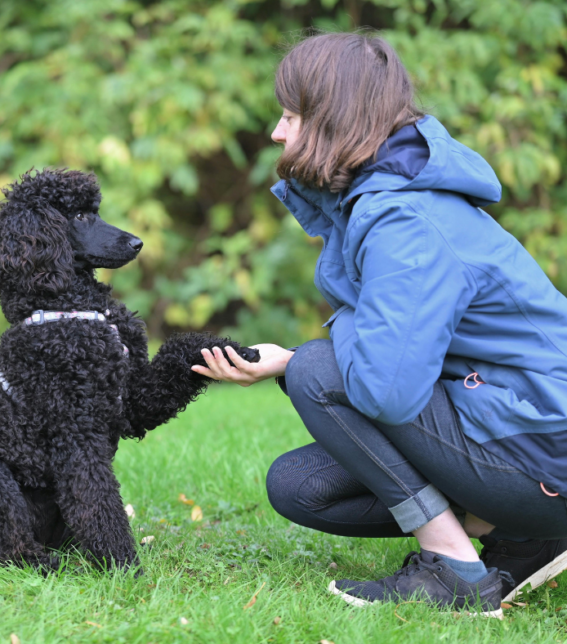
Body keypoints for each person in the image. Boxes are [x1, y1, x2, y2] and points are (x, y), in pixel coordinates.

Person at [191, 32, 567, 618]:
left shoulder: (405, 219)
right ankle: (527, 537)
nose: (277, 133)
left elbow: (384, 392)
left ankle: (456, 570)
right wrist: (289, 361)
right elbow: (395, 360)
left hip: (544, 452)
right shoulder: (381, 199)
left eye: (291, 115)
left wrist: (311, 353)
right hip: (514, 430)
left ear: (332, 120)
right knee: (300, 486)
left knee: (321, 369)